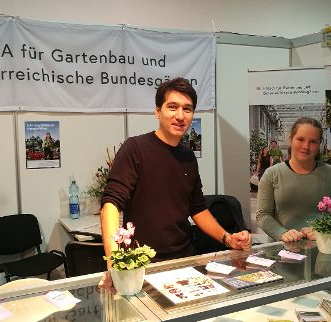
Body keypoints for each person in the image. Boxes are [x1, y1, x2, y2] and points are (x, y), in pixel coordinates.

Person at [99, 78, 251, 291]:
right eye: (172, 107)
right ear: (157, 111)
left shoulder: (188, 156)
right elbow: (111, 205)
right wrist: (114, 264)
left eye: (187, 109)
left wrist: (227, 238)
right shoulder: (135, 148)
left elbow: (197, 209)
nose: (180, 116)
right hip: (142, 267)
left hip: (184, 262)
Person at [256, 117, 331, 243]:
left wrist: (325, 232)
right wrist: (282, 233)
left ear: (319, 144)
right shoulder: (271, 174)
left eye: (313, 141)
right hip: (279, 252)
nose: (306, 146)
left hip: (323, 251)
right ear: (291, 139)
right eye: (300, 139)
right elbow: (262, 215)